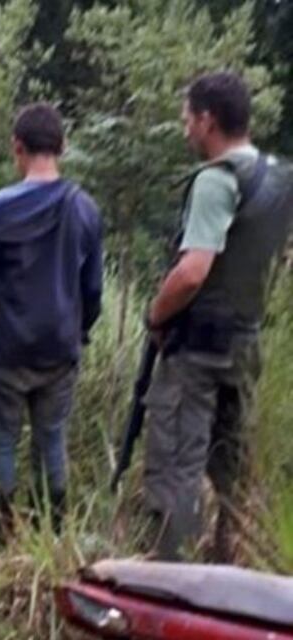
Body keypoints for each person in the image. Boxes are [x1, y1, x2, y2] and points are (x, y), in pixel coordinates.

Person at [143, 72, 293, 561]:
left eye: (188, 118)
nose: (186, 128)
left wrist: (155, 314)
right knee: (233, 468)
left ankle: (170, 583)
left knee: (176, 467)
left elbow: (192, 271)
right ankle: (229, 573)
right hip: (246, 344)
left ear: (208, 120)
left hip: (199, 350)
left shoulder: (217, 179)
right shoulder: (279, 175)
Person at [0, 103, 103, 542]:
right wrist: (79, 331)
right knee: (51, 441)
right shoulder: (85, 208)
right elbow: (92, 289)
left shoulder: (0, 208)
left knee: (1, 441)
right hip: (60, 350)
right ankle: (50, 538)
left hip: (5, 349)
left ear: (16, 148)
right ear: (62, 146)